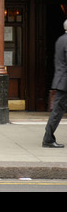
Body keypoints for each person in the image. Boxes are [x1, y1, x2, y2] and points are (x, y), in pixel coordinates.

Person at [43, 19, 67, 148]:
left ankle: (48, 138)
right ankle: (47, 139)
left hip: (61, 80)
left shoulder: (61, 39)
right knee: (57, 112)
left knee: (57, 111)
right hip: (64, 82)